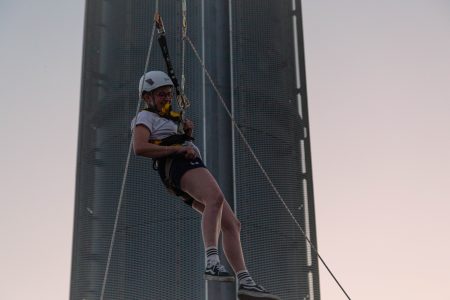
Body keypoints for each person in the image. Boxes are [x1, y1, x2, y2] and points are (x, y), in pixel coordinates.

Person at [131, 71, 280, 300]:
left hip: (184, 166)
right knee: (215, 200)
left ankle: (245, 282)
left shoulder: (168, 119)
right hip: (177, 166)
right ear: (147, 96)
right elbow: (140, 147)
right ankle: (212, 261)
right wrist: (178, 149)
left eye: (168, 94)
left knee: (232, 223)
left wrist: (187, 136)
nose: (167, 98)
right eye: (161, 94)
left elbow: (173, 141)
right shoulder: (145, 117)